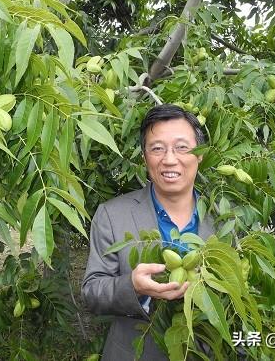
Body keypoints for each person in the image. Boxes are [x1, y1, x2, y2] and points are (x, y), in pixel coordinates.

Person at [81, 104, 216, 360]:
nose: (169, 159)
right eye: (157, 148)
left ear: (200, 154)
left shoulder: (223, 219)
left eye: (181, 147)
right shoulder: (112, 215)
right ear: (144, 157)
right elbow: (92, 292)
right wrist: (133, 286)